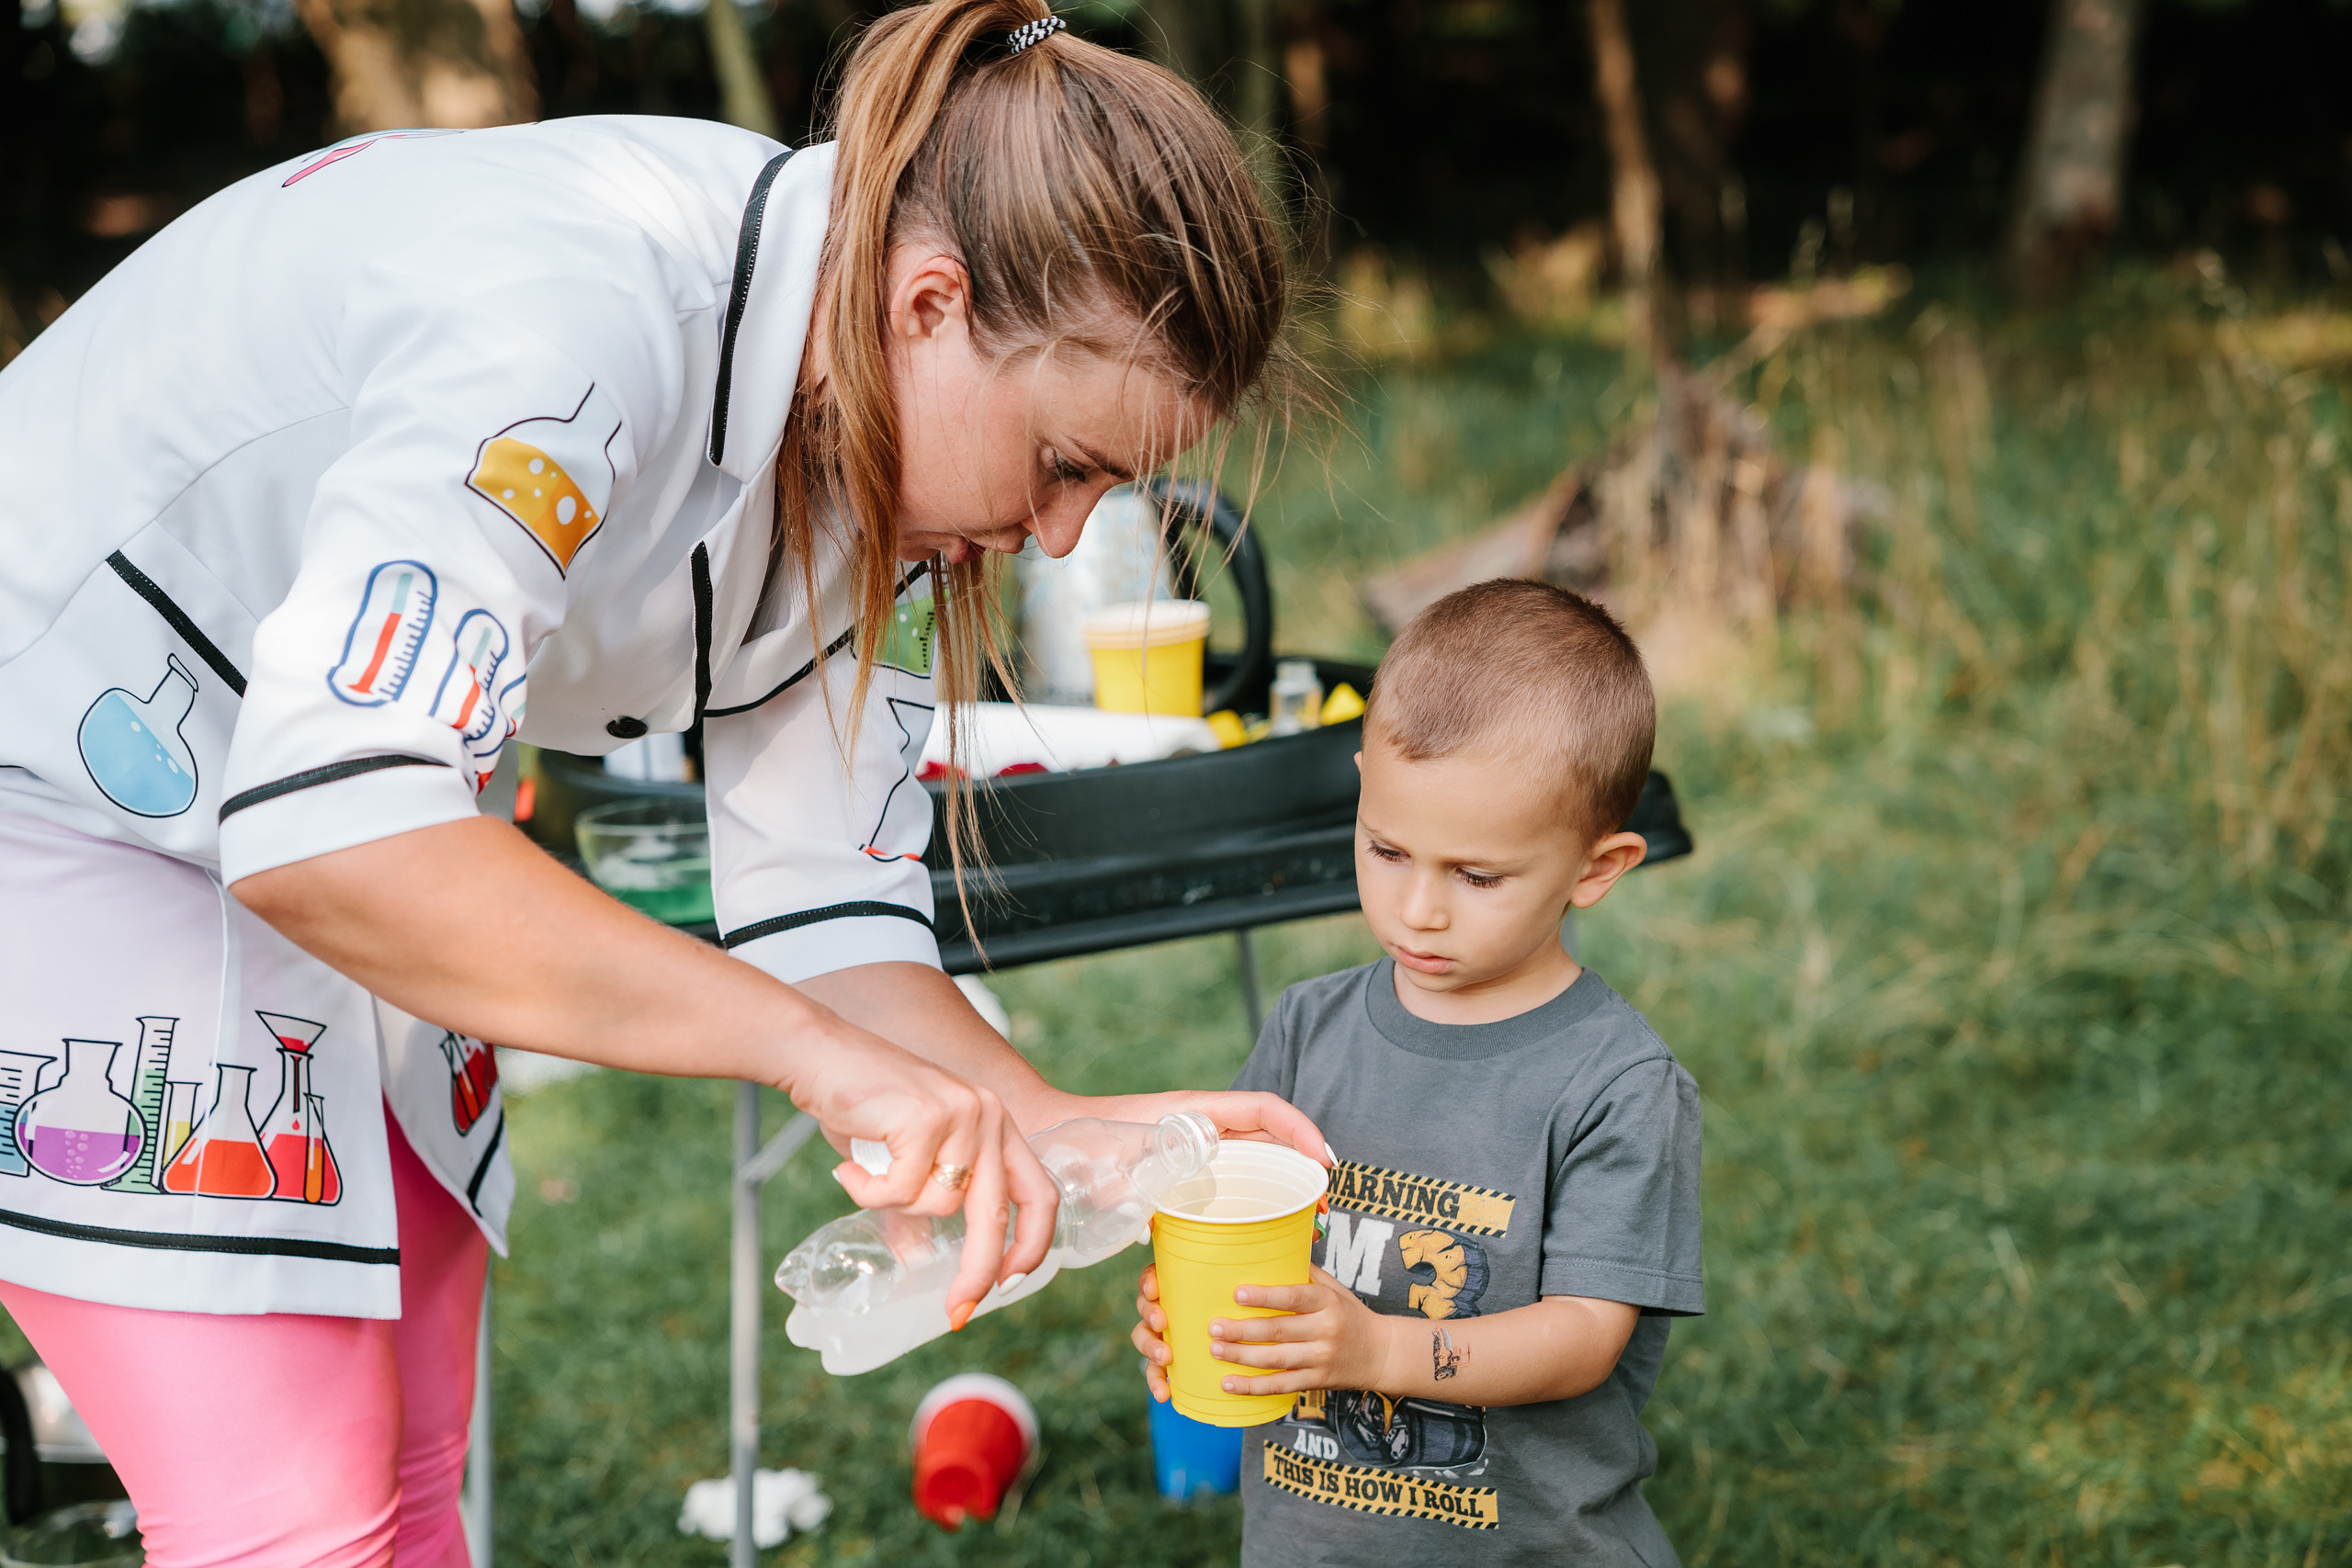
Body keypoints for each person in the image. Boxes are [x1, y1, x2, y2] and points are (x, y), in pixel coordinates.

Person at [0, 3, 1327, 1560]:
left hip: (312, 795)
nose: (1054, 539)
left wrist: (1050, 1119)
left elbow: (829, 900)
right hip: (59, 771)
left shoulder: (878, 434)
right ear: (930, 303)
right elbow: (343, 834)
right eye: (1066, 466)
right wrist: (810, 1055)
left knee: (412, 1457)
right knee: (295, 1504)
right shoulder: (576, 314)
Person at [1131, 580, 1706, 1565]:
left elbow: (1582, 1335)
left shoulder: (1615, 1084)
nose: (1418, 910)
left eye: (1476, 876)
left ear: (1596, 868)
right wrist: (1189, 1316)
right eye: (1386, 849)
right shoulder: (1307, 1029)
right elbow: (1244, 1227)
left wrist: (1381, 1351)